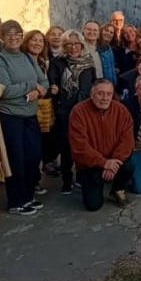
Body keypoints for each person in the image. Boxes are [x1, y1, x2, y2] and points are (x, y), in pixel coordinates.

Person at [0, 20, 49, 216]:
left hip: (30, 115)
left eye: (17, 34)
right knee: (16, 160)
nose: (14, 38)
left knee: (33, 156)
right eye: (9, 34)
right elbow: (5, 90)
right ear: (2, 37)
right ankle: (16, 201)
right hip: (11, 117)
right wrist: (31, 87)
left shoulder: (27, 57)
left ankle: (29, 195)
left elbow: (44, 82)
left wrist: (38, 91)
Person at [69, 79, 135, 211]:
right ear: (92, 94)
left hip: (114, 160)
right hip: (90, 164)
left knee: (129, 166)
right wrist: (104, 163)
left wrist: (112, 163)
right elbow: (79, 147)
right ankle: (93, 181)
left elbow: (127, 141)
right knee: (93, 205)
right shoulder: (78, 112)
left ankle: (117, 189)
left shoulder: (121, 110)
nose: (105, 98)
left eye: (109, 94)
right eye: (100, 93)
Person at [48, 30, 97, 195]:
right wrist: (54, 88)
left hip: (85, 109)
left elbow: (94, 84)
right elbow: (53, 81)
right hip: (65, 109)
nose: (74, 47)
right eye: (69, 44)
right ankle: (67, 179)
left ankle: (82, 177)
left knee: (85, 144)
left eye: (77, 44)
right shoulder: (58, 62)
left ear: (82, 45)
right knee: (66, 145)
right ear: (64, 46)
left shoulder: (89, 63)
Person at [21, 30, 55, 191]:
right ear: (26, 42)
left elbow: (45, 85)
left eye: (41, 41)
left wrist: (46, 89)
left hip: (42, 108)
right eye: (33, 40)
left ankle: (34, 180)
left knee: (38, 146)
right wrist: (39, 88)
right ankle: (30, 183)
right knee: (29, 148)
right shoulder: (22, 60)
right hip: (26, 109)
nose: (37, 43)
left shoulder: (41, 61)